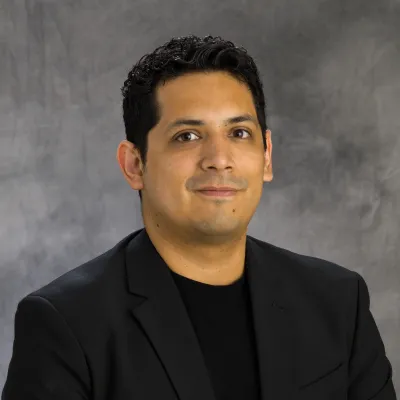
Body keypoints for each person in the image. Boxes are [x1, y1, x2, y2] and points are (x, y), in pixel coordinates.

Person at [2, 35, 397, 400]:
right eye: (187, 136)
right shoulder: (66, 324)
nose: (219, 160)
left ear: (266, 156)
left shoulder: (337, 302)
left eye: (239, 133)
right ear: (134, 165)